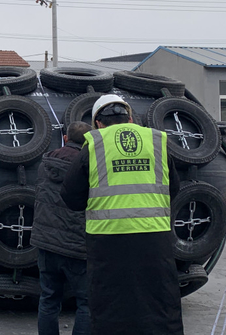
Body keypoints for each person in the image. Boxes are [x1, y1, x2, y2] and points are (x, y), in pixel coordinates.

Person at [60, 95, 184, 335]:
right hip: (154, 238)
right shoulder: (156, 140)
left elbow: (70, 196)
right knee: (160, 304)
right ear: (129, 118)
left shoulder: (94, 144)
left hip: (108, 242)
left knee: (111, 308)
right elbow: (174, 188)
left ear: (98, 122)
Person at [31, 121, 92, 335]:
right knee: (86, 303)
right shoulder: (89, 165)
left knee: (48, 300)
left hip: (46, 243)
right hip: (77, 245)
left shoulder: (44, 164)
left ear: (66, 138)